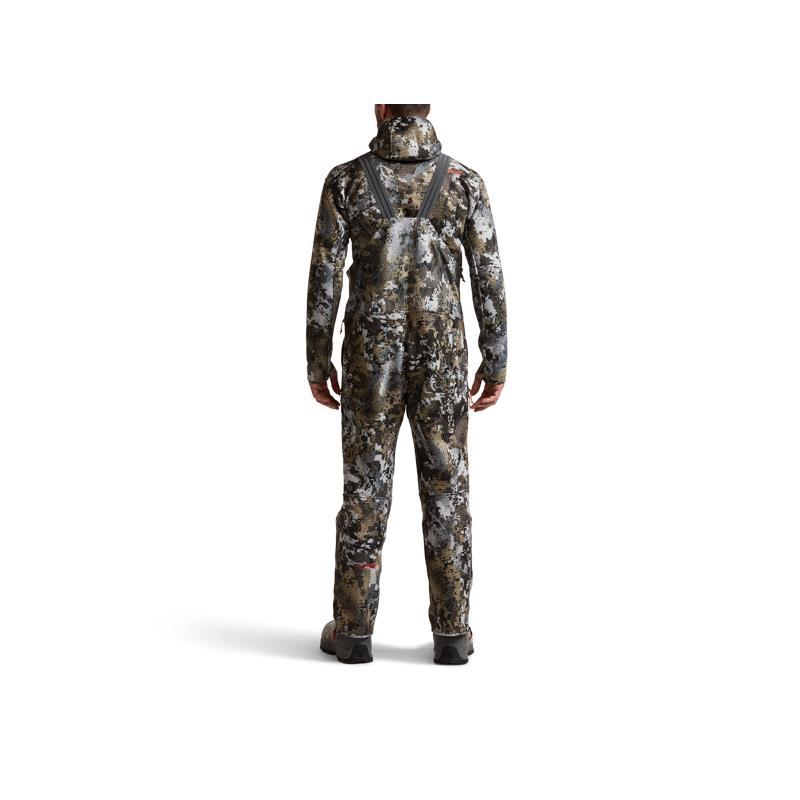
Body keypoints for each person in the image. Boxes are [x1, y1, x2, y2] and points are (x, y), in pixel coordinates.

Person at [306, 104, 507, 664]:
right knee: (447, 489)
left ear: (380, 108)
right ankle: (453, 633)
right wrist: (495, 359)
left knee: (365, 488)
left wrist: (317, 359)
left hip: (369, 361)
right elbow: (488, 274)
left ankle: (353, 630)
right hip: (443, 359)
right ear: (428, 109)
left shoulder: (346, 181)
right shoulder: (465, 182)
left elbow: (325, 274)